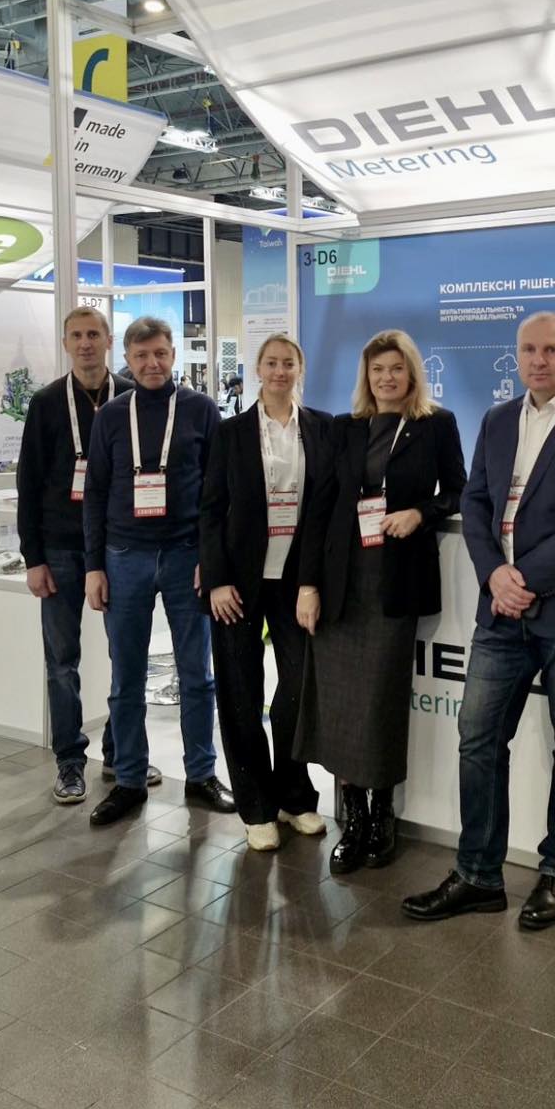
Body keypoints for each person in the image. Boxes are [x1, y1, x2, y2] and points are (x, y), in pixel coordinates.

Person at [403, 311, 555, 932]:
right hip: (501, 611)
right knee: (478, 739)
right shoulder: (498, 419)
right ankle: (479, 874)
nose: (538, 360)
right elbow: (477, 501)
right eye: (529, 349)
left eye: (551, 350)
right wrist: (493, 576)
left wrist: (522, 578)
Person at [296, 329, 466, 875]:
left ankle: (382, 815)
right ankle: (353, 818)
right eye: (377, 370)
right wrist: (308, 584)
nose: (386, 378)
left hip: (393, 585)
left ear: (411, 373)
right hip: (341, 583)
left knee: (380, 703)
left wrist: (421, 513)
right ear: (366, 377)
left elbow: (459, 490)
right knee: (340, 705)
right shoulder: (344, 428)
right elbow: (319, 508)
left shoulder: (435, 424)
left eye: (395, 368)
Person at [83, 316, 235, 826]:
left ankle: (201, 774)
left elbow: (218, 492)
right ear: (126, 358)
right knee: (126, 677)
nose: (153, 363)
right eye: (142, 355)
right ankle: (128, 779)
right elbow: (95, 495)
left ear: (174, 355)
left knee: (197, 674)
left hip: (187, 556)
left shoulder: (200, 409)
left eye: (161, 354)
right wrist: (94, 567)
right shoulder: (111, 416)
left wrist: (212, 560)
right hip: (124, 557)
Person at [17, 306, 161, 806]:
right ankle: (70, 762)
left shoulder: (132, 395)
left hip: (116, 544)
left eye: (93, 334)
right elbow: (29, 483)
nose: (85, 343)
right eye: (76, 335)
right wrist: (32, 558)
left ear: (108, 340)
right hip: (59, 548)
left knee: (127, 655)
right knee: (62, 661)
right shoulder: (46, 403)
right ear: (65, 343)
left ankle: (122, 754)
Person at [200, 334, 329, 851]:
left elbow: (324, 509)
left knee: (297, 689)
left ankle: (294, 797)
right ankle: (255, 807)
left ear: (300, 368)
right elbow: (210, 509)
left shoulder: (320, 428)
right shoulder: (230, 432)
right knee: (240, 692)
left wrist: (313, 581)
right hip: (238, 581)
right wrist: (215, 579)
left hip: (296, 581)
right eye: (271, 363)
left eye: (288, 363)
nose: (279, 371)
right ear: (257, 369)